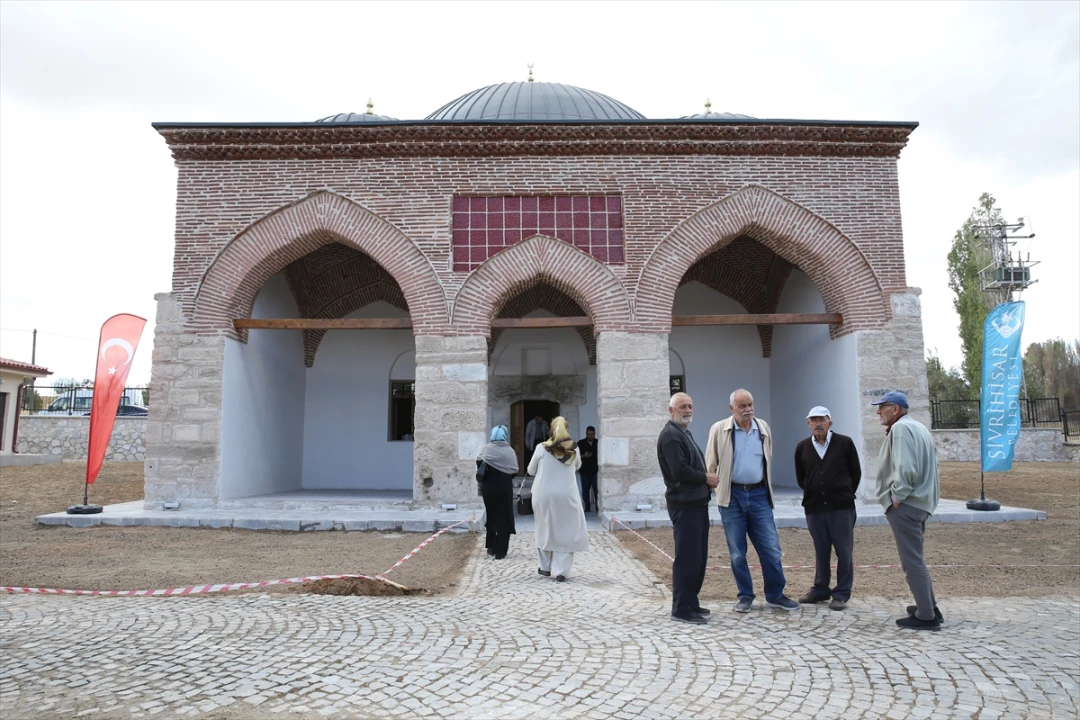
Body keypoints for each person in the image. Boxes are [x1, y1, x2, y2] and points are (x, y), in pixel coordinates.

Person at [705, 389, 799, 613]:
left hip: (759, 496)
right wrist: (715, 490)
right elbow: (711, 463)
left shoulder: (763, 428)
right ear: (732, 409)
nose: (748, 410)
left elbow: (768, 458)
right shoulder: (720, 429)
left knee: (771, 548)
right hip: (732, 496)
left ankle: (775, 594)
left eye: (750, 405)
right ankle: (745, 595)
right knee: (737, 552)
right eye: (742, 406)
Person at [872, 391, 943, 631]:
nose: (878, 411)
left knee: (911, 562)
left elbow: (906, 468)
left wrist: (896, 497)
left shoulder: (901, 429)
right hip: (921, 503)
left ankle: (926, 616)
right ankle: (930, 606)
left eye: (882, 407)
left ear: (895, 408)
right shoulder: (918, 427)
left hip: (907, 504)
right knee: (917, 559)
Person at [658, 392, 719, 625]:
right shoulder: (671, 436)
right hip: (685, 505)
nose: (688, 410)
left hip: (697, 502)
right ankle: (681, 608)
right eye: (682, 406)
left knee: (698, 557)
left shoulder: (683, 432)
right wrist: (706, 478)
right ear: (671, 411)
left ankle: (691, 601)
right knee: (687, 558)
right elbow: (679, 471)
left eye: (690, 406)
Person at [793, 406, 862, 611]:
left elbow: (855, 473)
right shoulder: (802, 447)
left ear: (830, 422)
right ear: (808, 424)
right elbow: (801, 477)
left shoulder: (845, 443)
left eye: (822, 419)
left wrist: (843, 492)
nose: (818, 423)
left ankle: (841, 593)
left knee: (844, 551)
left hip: (841, 506)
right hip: (815, 508)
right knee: (821, 550)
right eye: (813, 420)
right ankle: (820, 589)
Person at [527, 417, 589, 582]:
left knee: (544, 528)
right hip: (566, 496)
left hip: (543, 495)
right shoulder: (573, 449)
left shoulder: (541, 448)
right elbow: (578, 466)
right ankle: (561, 571)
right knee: (565, 531)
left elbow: (531, 471)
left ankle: (545, 567)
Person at [476, 425, 519, 560]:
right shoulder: (510, 451)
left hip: (489, 489)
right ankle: (500, 551)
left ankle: (491, 546)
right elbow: (514, 470)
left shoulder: (487, 449)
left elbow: (479, 465)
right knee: (504, 517)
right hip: (504, 488)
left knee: (492, 515)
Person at [578, 426, 599, 512]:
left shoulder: (598, 442)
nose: (590, 436)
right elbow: (576, 456)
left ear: (595, 434)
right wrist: (584, 456)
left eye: (592, 434)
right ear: (586, 434)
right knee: (585, 490)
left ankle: (598, 508)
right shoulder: (580, 443)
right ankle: (587, 508)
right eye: (589, 434)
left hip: (595, 471)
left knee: (597, 490)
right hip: (584, 471)